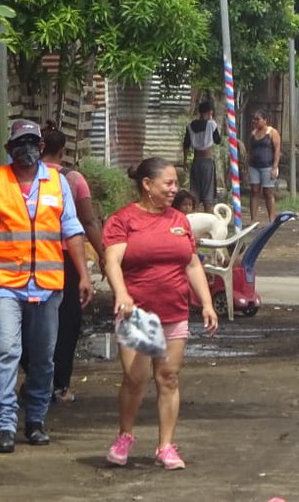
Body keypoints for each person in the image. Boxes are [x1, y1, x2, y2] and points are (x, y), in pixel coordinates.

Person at [0, 120, 94, 454]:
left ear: (41, 147)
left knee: (43, 357)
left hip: (47, 286)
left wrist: (84, 275)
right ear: (9, 149)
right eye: (20, 143)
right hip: (4, 285)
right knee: (5, 352)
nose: (26, 148)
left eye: (32, 142)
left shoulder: (57, 183)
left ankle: (36, 420)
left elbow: (72, 231)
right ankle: (5, 424)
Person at [102, 157, 219, 470]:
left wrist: (206, 303)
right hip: (138, 314)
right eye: (168, 183)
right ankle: (125, 435)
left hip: (174, 311)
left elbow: (192, 264)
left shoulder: (179, 220)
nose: (174, 189)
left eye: (176, 183)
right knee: (135, 378)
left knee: (168, 378)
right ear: (147, 184)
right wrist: (122, 293)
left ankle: (166, 446)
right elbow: (112, 261)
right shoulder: (124, 220)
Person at [41, 122, 105, 405]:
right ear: (63, 151)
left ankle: (36, 379)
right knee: (67, 320)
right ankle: (60, 385)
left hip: (32, 256)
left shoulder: (24, 177)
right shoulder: (73, 179)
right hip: (66, 257)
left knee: (32, 318)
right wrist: (103, 254)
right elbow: (88, 221)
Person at [181, 100, 221, 213]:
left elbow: (186, 145)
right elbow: (218, 140)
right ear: (209, 112)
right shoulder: (211, 124)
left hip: (196, 162)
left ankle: (195, 217)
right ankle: (207, 218)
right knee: (208, 196)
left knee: (195, 194)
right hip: (207, 162)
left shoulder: (190, 126)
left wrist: (185, 161)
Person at [247, 109, 281, 225]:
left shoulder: (272, 133)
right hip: (254, 166)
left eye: (258, 119)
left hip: (268, 166)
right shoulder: (253, 134)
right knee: (254, 191)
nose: (255, 121)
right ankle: (253, 219)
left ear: (265, 120)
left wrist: (275, 167)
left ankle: (271, 219)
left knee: (268, 192)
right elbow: (250, 150)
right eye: (254, 119)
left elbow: (277, 151)